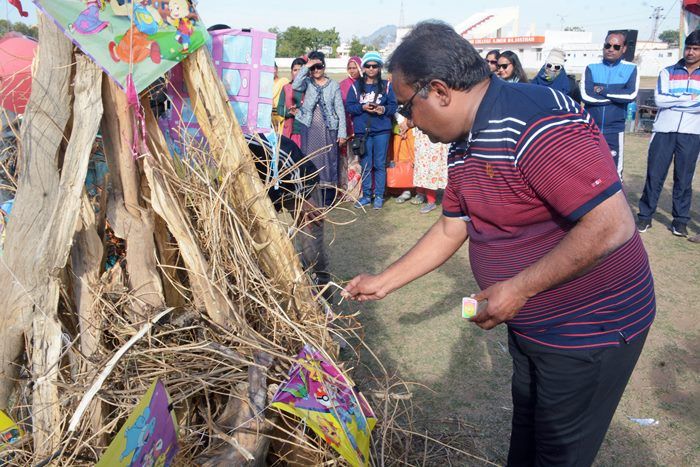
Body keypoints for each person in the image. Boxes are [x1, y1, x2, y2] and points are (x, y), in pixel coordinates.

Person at [343, 21, 655, 466]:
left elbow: (609, 226)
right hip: (533, 324)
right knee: (527, 444)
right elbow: (454, 226)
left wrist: (520, 288)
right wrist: (384, 281)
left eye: (408, 106)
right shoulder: (464, 139)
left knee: (558, 454)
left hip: (588, 329)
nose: (407, 120)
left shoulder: (536, 122)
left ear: (440, 90)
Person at [636, 31, 700, 238]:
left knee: (683, 179)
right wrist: (689, 98)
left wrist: (676, 99)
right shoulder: (668, 71)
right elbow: (660, 101)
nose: (690, 52)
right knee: (654, 176)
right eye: (688, 47)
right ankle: (645, 217)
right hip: (663, 131)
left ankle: (680, 221)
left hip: (691, 133)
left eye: (696, 49)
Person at [245, 133, 330, 289]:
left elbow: (285, 151)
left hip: (300, 182)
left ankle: (323, 301)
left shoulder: (248, 138)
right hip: (266, 193)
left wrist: (303, 195)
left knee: (311, 251)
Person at [292, 51, 347, 206]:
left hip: (329, 130)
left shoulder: (334, 85)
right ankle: (311, 196)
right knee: (309, 161)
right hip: (309, 129)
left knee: (328, 161)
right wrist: (306, 66)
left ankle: (328, 199)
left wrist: (342, 133)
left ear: (324, 66)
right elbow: (295, 85)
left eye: (319, 66)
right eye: (314, 67)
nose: (316, 70)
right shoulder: (307, 83)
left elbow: (340, 110)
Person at [581, 31, 640, 177]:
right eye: (608, 45)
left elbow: (630, 94)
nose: (611, 49)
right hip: (590, 128)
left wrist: (602, 90)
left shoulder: (631, 68)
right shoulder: (590, 67)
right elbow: (586, 96)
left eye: (616, 46)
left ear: (624, 49)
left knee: (614, 172)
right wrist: (617, 95)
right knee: (588, 171)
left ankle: (617, 200)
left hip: (615, 130)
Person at [345, 51, 398, 210]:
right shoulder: (356, 86)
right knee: (366, 164)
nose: (371, 69)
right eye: (368, 66)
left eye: (375, 66)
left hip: (382, 130)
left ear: (379, 68)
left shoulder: (387, 85)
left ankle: (379, 196)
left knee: (380, 164)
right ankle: (367, 195)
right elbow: (349, 107)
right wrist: (362, 107)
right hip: (363, 132)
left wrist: (382, 109)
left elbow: (393, 106)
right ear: (364, 68)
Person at [397, 116, 448, 213]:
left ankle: (431, 201)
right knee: (422, 166)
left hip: (435, 134)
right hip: (422, 134)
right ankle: (422, 194)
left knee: (431, 167)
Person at [339, 56, 363, 201]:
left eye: (355, 67)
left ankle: (357, 192)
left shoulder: (365, 84)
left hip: (360, 128)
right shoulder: (342, 85)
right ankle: (344, 192)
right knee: (345, 161)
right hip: (346, 127)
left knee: (357, 161)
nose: (352, 71)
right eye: (350, 68)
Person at [278, 57, 307, 147]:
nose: (298, 73)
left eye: (301, 70)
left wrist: (300, 112)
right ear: (291, 72)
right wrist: (290, 112)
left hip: (307, 132)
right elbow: (280, 108)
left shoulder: (310, 88)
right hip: (291, 132)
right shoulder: (286, 88)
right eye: (295, 70)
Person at [271, 62, 290, 133]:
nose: (271, 71)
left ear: (277, 69)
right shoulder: (262, 84)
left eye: (273, 68)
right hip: (269, 121)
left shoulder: (284, 81)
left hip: (282, 119)